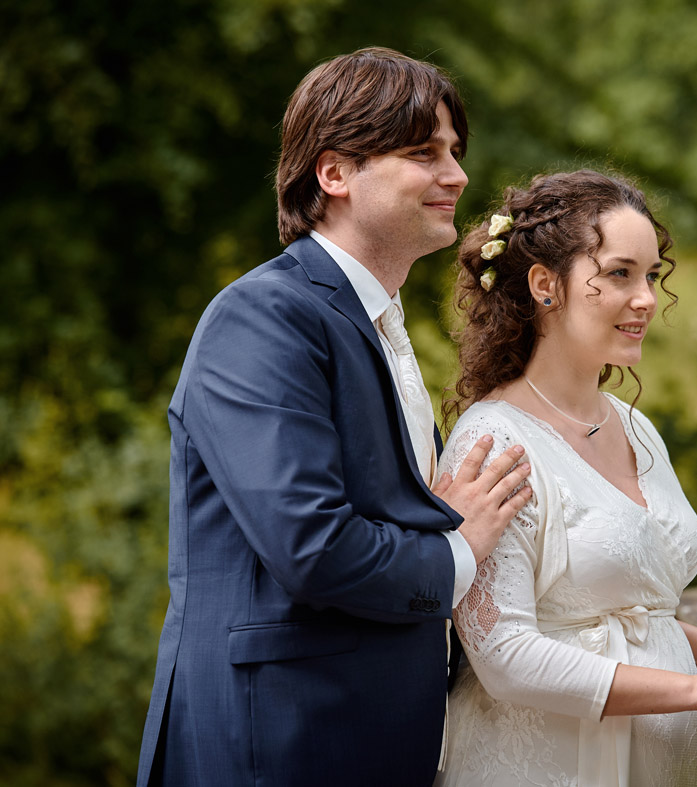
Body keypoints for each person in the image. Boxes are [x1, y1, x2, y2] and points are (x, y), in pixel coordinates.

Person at [135, 47, 533, 787]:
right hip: (279, 743)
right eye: (423, 152)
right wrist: (460, 549)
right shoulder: (263, 318)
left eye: (454, 151)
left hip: (380, 737)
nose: (457, 176)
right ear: (334, 172)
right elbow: (313, 544)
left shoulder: (376, 321)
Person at [435, 170, 697, 787]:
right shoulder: (494, 443)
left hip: (660, 763)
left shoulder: (638, 429)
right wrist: (691, 689)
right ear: (544, 285)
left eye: (652, 276)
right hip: (548, 765)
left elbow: (618, 606)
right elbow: (504, 655)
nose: (646, 299)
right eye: (619, 273)